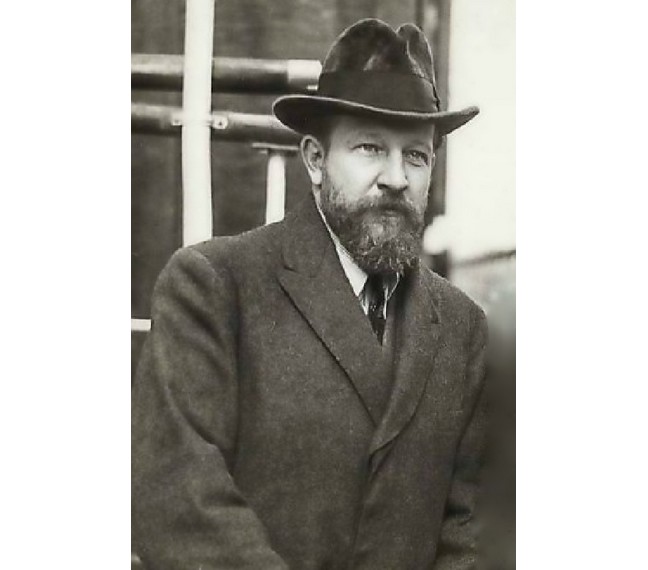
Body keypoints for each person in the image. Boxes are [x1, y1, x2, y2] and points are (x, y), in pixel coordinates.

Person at [132, 18, 487, 570]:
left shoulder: (462, 328)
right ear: (315, 160)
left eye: (416, 155)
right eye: (370, 148)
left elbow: (476, 531)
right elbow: (179, 499)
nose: (396, 177)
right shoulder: (213, 286)